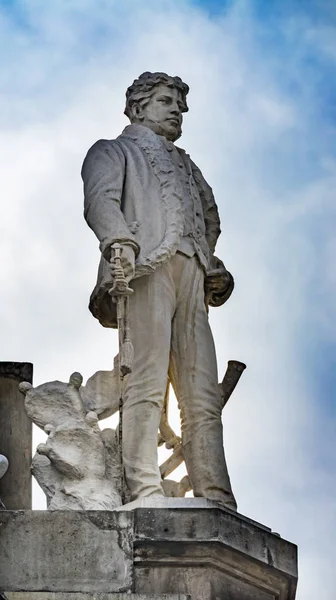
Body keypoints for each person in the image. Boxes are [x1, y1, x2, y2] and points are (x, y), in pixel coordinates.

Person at [81, 72, 237, 509]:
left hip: (190, 271)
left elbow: (208, 220)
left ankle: (217, 496)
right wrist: (119, 243)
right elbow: (101, 202)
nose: (176, 110)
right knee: (145, 383)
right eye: (166, 101)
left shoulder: (189, 167)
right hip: (143, 268)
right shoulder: (114, 151)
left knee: (202, 392)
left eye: (179, 105)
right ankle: (144, 491)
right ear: (138, 106)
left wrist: (212, 264)